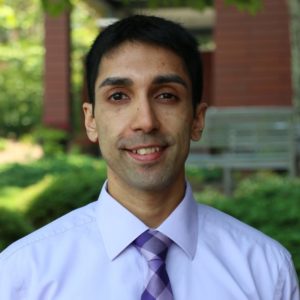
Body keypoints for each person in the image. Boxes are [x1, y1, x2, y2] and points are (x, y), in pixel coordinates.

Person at [0, 15, 299, 300]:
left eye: (166, 95)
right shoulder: (24, 275)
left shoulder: (265, 270)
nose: (145, 121)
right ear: (91, 120)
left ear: (196, 119)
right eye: (118, 96)